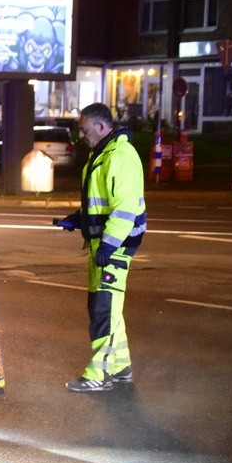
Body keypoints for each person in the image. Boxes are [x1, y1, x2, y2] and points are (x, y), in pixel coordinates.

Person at [55, 102, 146, 392]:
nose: (82, 136)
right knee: (104, 309)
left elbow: (124, 208)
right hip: (103, 245)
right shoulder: (104, 154)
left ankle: (100, 374)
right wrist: (78, 220)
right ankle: (120, 368)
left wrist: (108, 245)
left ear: (100, 126)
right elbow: (102, 204)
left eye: (84, 130)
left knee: (104, 310)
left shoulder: (120, 156)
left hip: (113, 248)